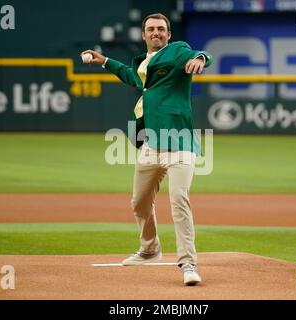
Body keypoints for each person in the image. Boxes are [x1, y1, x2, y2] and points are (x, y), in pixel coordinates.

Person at [82, 13, 212, 286]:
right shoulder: (143, 64)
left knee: (179, 200)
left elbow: (198, 53)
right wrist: (104, 61)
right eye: (151, 29)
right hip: (151, 145)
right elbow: (132, 77)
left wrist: (199, 59)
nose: (156, 33)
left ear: (168, 34)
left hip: (180, 144)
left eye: (161, 29)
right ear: (143, 35)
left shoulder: (177, 51)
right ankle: (150, 249)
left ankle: (188, 263)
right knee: (139, 202)